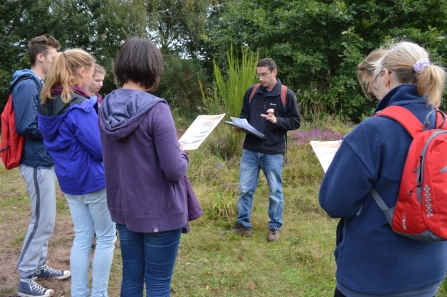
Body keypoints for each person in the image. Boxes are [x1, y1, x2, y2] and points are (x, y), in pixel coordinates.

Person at [319, 41, 447, 297]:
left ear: (386, 76)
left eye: (375, 78)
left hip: (374, 276)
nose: (373, 87)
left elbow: (333, 203)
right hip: (430, 271)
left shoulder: (374, 130)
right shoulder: (441, 123)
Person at [98, 37, 191, 297]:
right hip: (159, 210)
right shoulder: (157, 109)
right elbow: (174, 169)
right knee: (159, 284)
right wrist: (184, 155)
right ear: (153, 68)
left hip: (124, 208)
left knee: (131, 278)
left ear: (122, 66)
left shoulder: (104, 106)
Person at [36, 48, 116, 297]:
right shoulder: (78, 106)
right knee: (105, 238)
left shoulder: (47, 102)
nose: (91, 79)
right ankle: (99, 293)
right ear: (82, 72)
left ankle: (79, 293)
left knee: (82, 236)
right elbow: (100, 149)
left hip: (70, 181)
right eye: (91, 73)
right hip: (94, 180)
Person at [10, 34, 71, 297]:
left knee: (45, 218)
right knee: (42, 221)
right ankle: (26, 278)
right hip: (35, 162)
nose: (57, 60)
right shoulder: (26, 84)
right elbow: (25, 126)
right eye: (54, 55)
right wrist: (58, 127)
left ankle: (39, 266)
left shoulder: (39, 82)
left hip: (43, 160)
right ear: (41, 56)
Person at [233, 58, 301, 242]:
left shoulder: (287, 94)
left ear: (274, 73)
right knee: (246, 189)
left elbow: (295, 122)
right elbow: (244, 115)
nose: (261, 78)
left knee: (275, 191)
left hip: (273, 151)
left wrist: (277, 120)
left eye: (264, 74)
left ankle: (274, 227)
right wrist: (239, 125)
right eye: (259, 74)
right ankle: (243, 225)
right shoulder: (252, 92)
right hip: (250, 150)